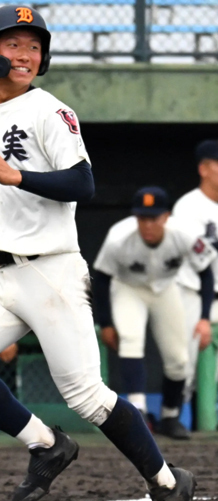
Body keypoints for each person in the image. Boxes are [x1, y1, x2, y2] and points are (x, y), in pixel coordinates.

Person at [0, 6, 196, 501]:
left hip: (51, 272)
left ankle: (169, 484)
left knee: (88, 397)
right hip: (2, 274)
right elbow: (5, 191)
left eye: (33, 46)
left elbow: (82, 183)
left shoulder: (51, 111)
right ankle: (46, 445)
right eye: (14, 44)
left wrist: (17, 174)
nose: (25, 55)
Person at [93, 186, 215, 440]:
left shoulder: (183, 233)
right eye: (142, 218)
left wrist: (204, 318)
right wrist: (105, 323)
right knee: (130, 340)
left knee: (179, 359)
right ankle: (139, 414)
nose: (148, 225)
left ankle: (170, 417)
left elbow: (205, 273)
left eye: (154, 218)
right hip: (128, 287)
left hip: (166, 288)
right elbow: (102, 279)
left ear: (166, 217)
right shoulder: (120, 236)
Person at [172, 140, 218, 422]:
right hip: (192, 294)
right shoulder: (188, 207)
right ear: (204, 168)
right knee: (184, 367)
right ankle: (173, 425)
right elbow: (194, 260)